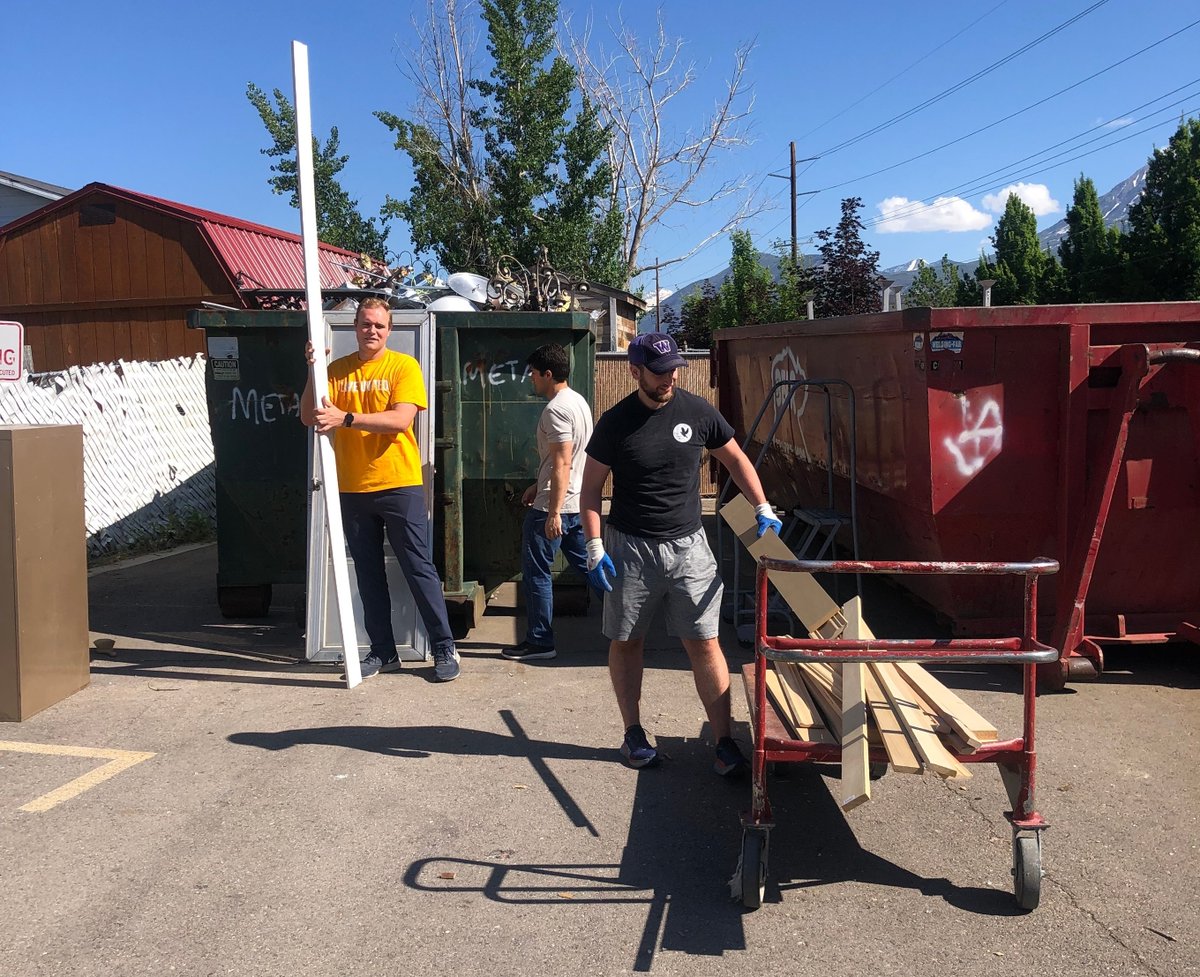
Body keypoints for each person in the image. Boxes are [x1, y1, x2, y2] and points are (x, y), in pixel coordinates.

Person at [579, 332, 782, 775]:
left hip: (690, 548)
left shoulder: (697, 411)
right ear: (635, 371)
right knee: (627, 640)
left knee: (705, 642)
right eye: (659, 371)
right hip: (631, 549)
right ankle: (632, 733)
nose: (669, 377)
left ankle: (725, 741)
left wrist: (761, 505)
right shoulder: (615, 423)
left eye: (674, 369)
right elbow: (590, 491)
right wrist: (594, 546)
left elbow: (735, 460)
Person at [300, 297, 461, 682]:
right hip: (352, 488)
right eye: (365, 324)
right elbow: (309, 416)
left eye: (379, 325)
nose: (371, 330)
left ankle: (444, 647)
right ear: (355, 327)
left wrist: (347, 418)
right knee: (368, 575)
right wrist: (312, 371)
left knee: (418, 568)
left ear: (389, 331)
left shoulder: (403, 366)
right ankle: (383, 652)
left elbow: (401, 420)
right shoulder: (335, 371)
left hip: (399, 484)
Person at [503, 344, 593, 662]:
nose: (531, 379)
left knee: (537, 574)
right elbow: (567, 460)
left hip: (555, 509)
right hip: (576, 502)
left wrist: (552, 511)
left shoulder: (556, 410)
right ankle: (632, 617)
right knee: (591, 568)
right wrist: (536, 485)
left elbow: (562, 463)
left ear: (548, 374)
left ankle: (540, 642)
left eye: (534, 373)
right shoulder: (578, 402)